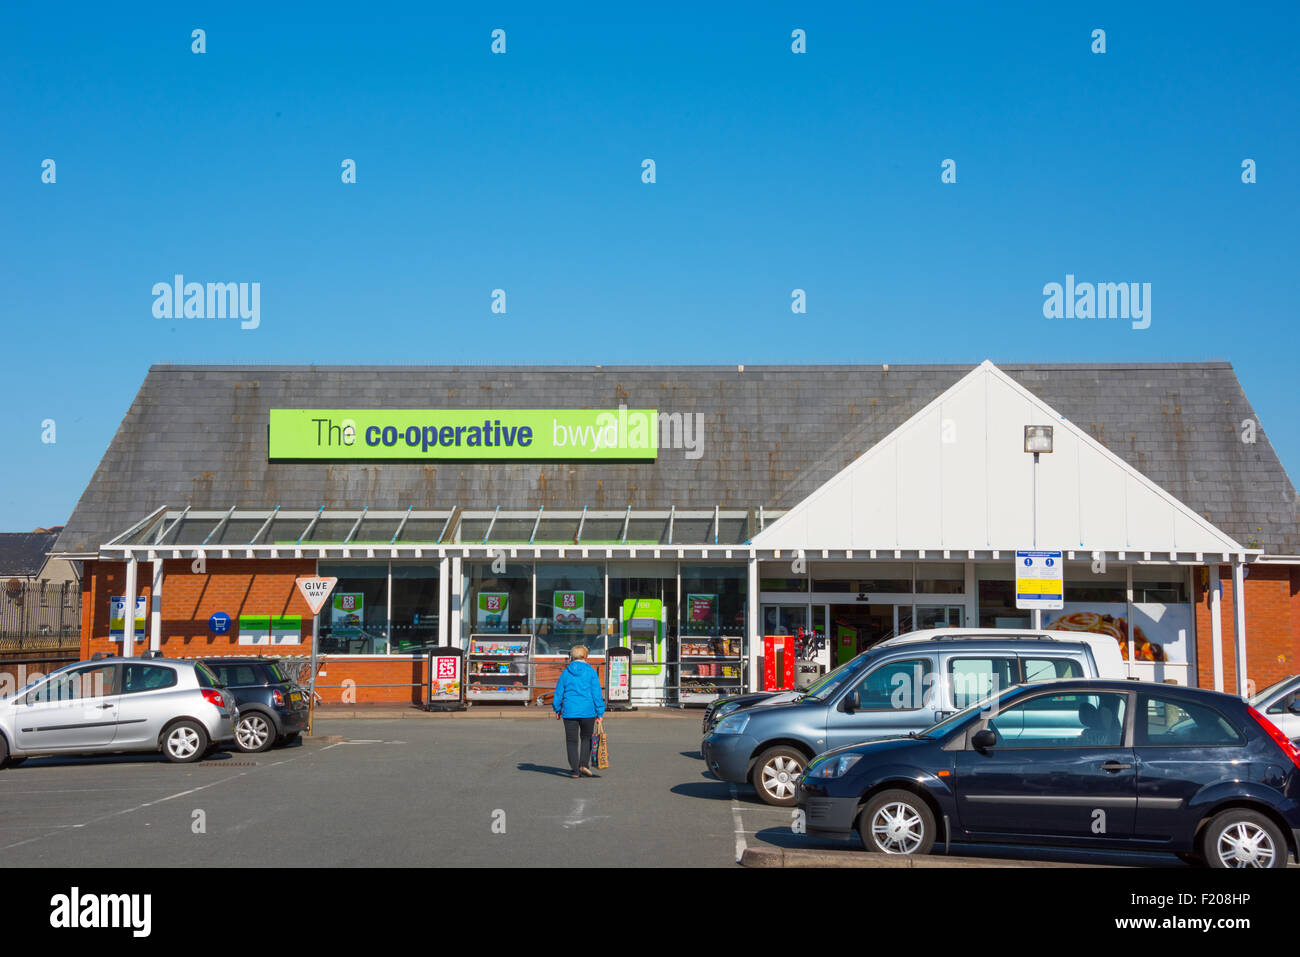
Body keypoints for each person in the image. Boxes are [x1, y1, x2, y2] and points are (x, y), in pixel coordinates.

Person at [551, 644, 606, 779]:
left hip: (569, 711)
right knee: (586, 738)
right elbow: (596, 693)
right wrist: (600, 713)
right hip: (588, 711)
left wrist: (557, 709)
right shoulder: (591, 672)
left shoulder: (566, 672)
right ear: (586, 656)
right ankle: (583, 765)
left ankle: (575, 770)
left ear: (572, 656)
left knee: (571, 741)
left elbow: (559, 692)